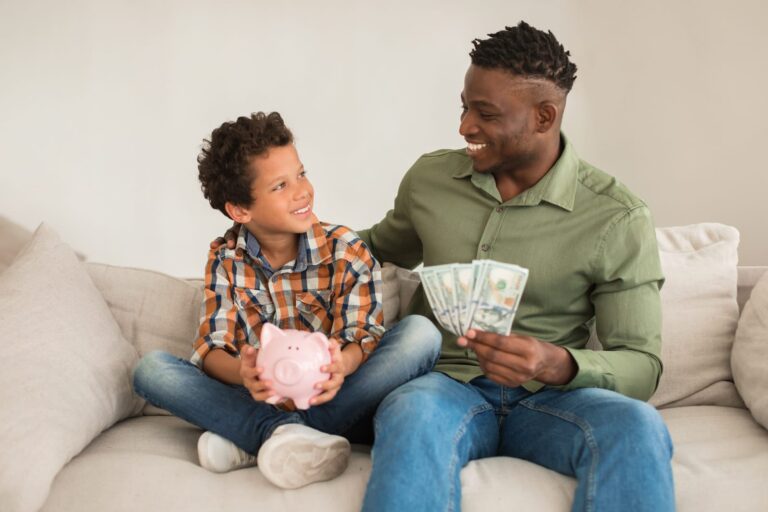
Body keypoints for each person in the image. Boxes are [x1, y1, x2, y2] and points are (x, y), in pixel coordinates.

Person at [213, 22, 675, 511]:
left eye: (486, 113)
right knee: (410, 412)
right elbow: (368, 250)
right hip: (443, 387)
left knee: (638, 425)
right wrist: (264, 248)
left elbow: (642, 365)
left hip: (553, 401)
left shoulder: (617, 217)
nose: (464, 127)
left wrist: (554, 362)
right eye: (464, 106)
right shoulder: (431, 180)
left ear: (544, 116)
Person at [132, 112, 441, 490]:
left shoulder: (346, 249)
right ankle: (284, 433)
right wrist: (245, 374)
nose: (302, 191)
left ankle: (260, 438)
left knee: (421, 335)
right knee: (151, 370)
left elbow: (363, 334)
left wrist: (342, 364)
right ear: (240, 210)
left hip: (339, 398)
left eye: (301, 173)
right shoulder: (226, 258)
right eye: (280, 186)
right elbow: (212, 348)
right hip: (261, 398)